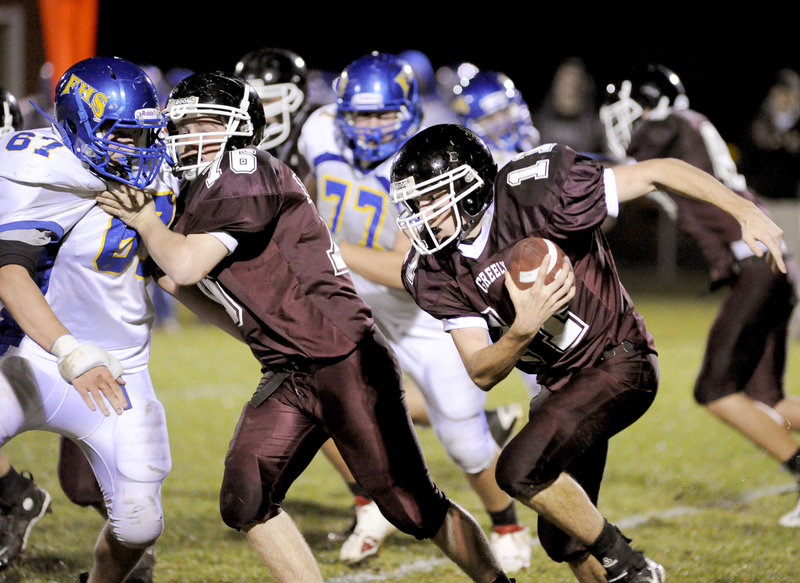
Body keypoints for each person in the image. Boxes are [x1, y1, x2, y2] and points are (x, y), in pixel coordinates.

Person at [96, 71, 514, 583]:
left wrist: (147, 224)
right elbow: (176, 284)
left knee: (410, 507)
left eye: (204, 123)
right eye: (182, 126)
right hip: (288, 368)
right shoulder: (197, 190)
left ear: (238, 130)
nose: (189, 136)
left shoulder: (247, 170)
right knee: (245, 498)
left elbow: (183, 265)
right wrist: (246, 329)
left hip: (343, 356)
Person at [388, 123, 787, 582]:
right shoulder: (434, 270)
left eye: (431, 198)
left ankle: (634, 568)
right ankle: (621, 568)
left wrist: (743, 209)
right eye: (414, 203)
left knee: (519, 470)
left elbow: (660, 170)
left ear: (471, 186)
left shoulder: (536, 191)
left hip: (619, 360)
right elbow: (481, 369)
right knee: (564, 537)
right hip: (560, 384)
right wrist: (521, 330)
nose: (422, 214)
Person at [296, 51, 530, 571]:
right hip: (351, 304)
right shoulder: (320, 130)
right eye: (359, 114)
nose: (369, 125)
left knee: (465, 444)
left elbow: (408, 267)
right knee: (313, 400)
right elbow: (313, 187)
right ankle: (369, 503)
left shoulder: (427, 158)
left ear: (407, 111)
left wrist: (323, 245)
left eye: (382, 114)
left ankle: (507, 523)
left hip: (425, 313)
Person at [600, 63, 800, 527]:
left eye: (631, 111)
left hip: (755, 266)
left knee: (713, 390)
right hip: (769, 263)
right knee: (766, 401)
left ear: (651, 107)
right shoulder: (688, 124)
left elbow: (613, 177)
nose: (623, 122)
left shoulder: (665, 127)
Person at [0, 56, 176, 583]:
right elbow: (9, 273)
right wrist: (70, 353)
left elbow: (173, 271)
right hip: (37, 355)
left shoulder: (163, 174)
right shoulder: (39, 166)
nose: (138, 151)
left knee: (141, 525)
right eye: (121, 136)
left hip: (122, 370)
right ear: (80, 124)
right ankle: (13, 501)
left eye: (145, 136)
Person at [737, 67, 800, 200]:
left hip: (792, 191)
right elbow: (758, 143)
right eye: (784, 93)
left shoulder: (796, 120)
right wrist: (778, 141)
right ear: (774, 93)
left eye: (794, 94)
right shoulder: (762, 117)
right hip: (764, 188)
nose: (789, 99)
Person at [532, 57, 607, 158]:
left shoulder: (598, 129)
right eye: (565, 82)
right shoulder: (535, 125)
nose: (569, 89)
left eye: (574, 83)